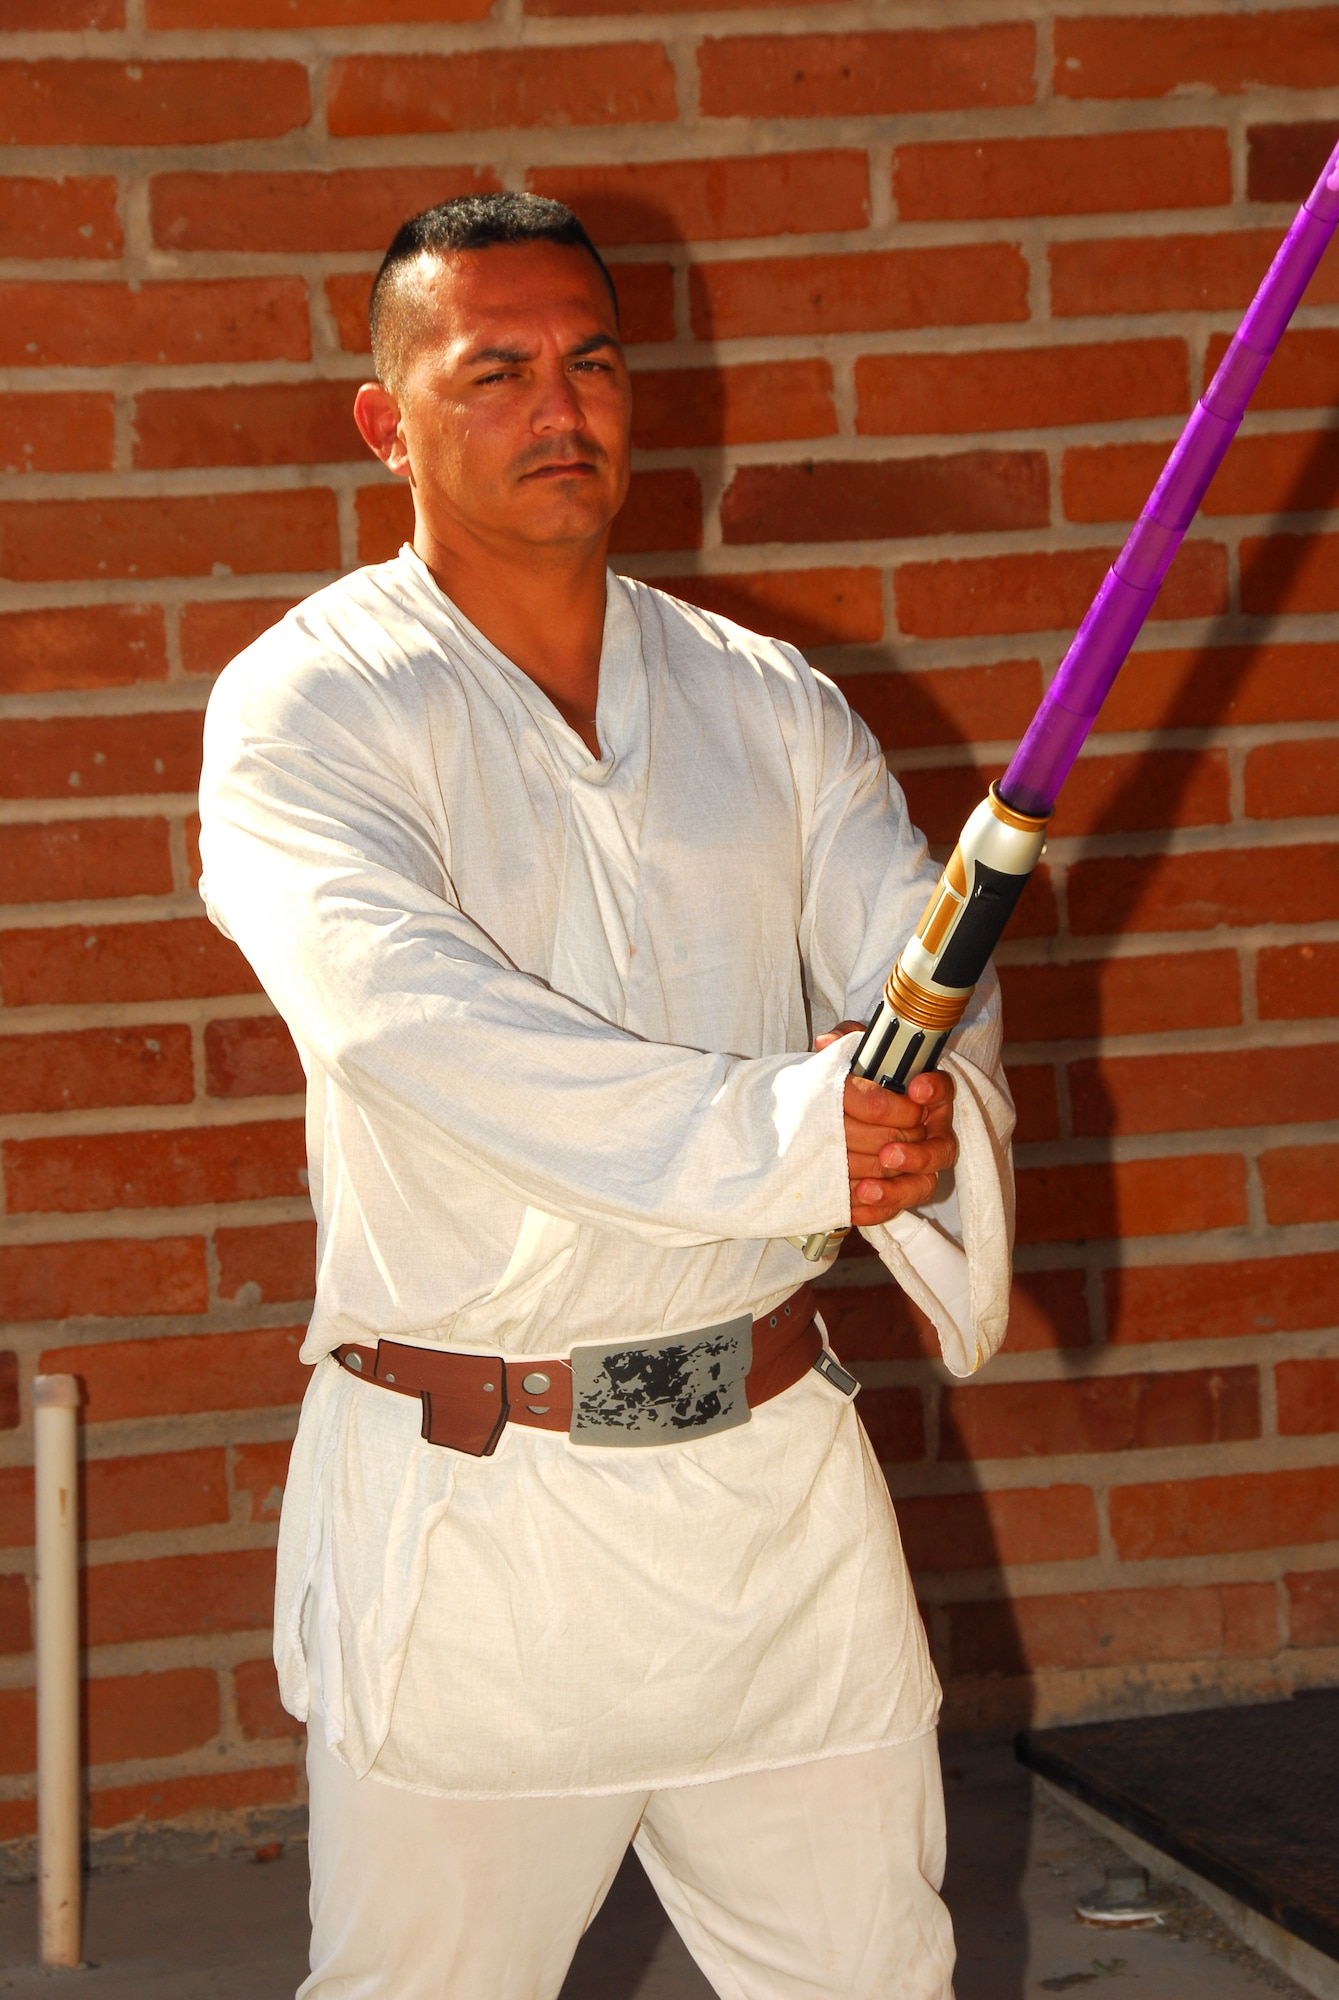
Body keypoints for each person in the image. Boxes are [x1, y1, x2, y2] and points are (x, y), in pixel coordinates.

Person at [198, 192, 1016, 2000]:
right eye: (493, 370)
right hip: (481, 1507)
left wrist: (917, 1103)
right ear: (385, 416)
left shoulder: (768, 702)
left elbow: (925, 986)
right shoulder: (305, 715)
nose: (559, 406)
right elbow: (412, 1026)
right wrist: (789, 1138)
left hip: (773, 1503)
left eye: (591, 361)